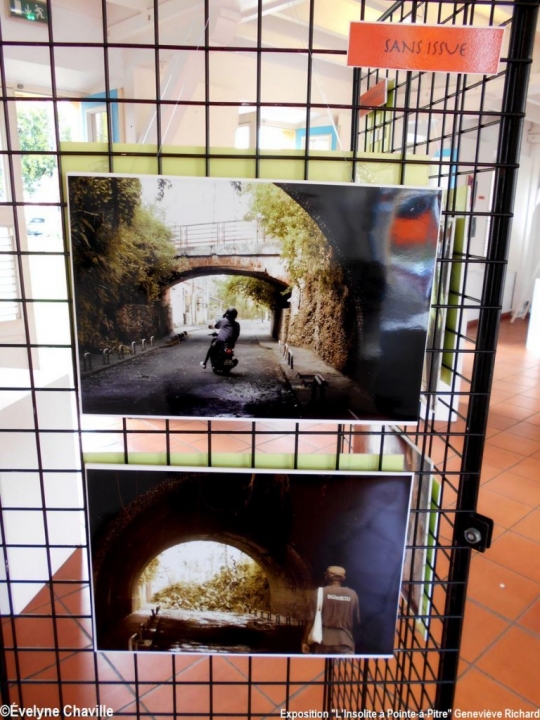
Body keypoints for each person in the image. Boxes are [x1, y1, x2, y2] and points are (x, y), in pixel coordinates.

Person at [302, 565, 360, 655]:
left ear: (326, 577)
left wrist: (305, 641)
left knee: (322, 664)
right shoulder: (352, 594)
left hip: (323, 642)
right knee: (344, 665)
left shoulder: (320, 592)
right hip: (345, 642)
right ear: (343, 578)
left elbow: (310, 620)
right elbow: (356, 622)